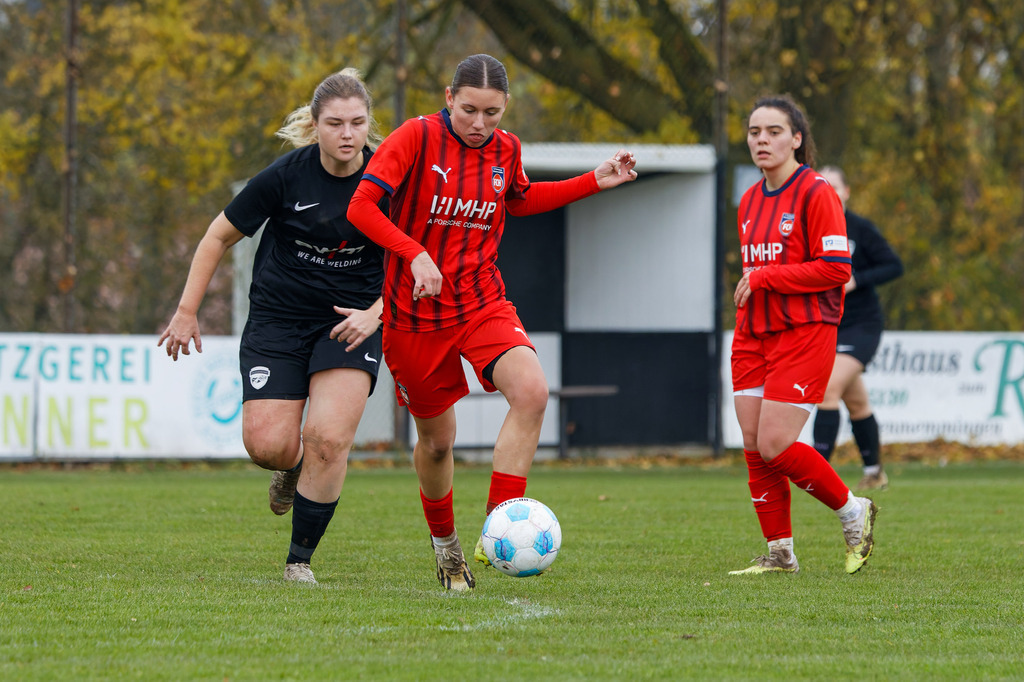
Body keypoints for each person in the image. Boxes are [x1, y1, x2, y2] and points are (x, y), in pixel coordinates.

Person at [347, 54, 638, 591]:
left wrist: (594, 180)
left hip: (481, 300)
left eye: (493, 113)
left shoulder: (507, 149)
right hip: (414, 316)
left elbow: (520, 201)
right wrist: (414, 253)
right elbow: (362, 208)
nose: (480, 124)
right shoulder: (415, 138)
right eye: (470, 110)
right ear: (449, 96)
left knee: (531, 392)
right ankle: (446, 547)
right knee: (437, 443)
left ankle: (498, 528)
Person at [158, 69, 386, 585]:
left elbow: (418, 258)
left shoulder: (389, 182)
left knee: (328, 440)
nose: (347, 134)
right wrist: (187, 311)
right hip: (279, 320)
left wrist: (378, 314)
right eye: (334, 123)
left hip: (351, 323)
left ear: (369, 125)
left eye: (357, 122)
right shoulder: (285, 177)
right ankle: (291, 467)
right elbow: (216, 237)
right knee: (269, 446)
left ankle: (299, 560)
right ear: (315, 124)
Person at [728, 94, 878, 576]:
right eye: (754, 132)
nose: (762, 140)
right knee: (753, 444)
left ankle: (855, 511)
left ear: (797, 138)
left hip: (804, 332)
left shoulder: (816, 192)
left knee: (776, 442)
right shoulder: (749, 199)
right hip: (753, 333)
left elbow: (836, 269)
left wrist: (766, 277)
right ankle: (780, 554)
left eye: (773, 131)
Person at [813, 166, 904, 490]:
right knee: (857, 403)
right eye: (822, 186)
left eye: (835, 186)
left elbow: (894, 265)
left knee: (826, 390)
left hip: (861, 325)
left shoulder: (860, 229)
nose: (829, 192)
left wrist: (858, 279)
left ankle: (816, 474)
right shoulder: (810, 226)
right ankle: (875, 472)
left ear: (846, 191)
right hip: (826, 325)